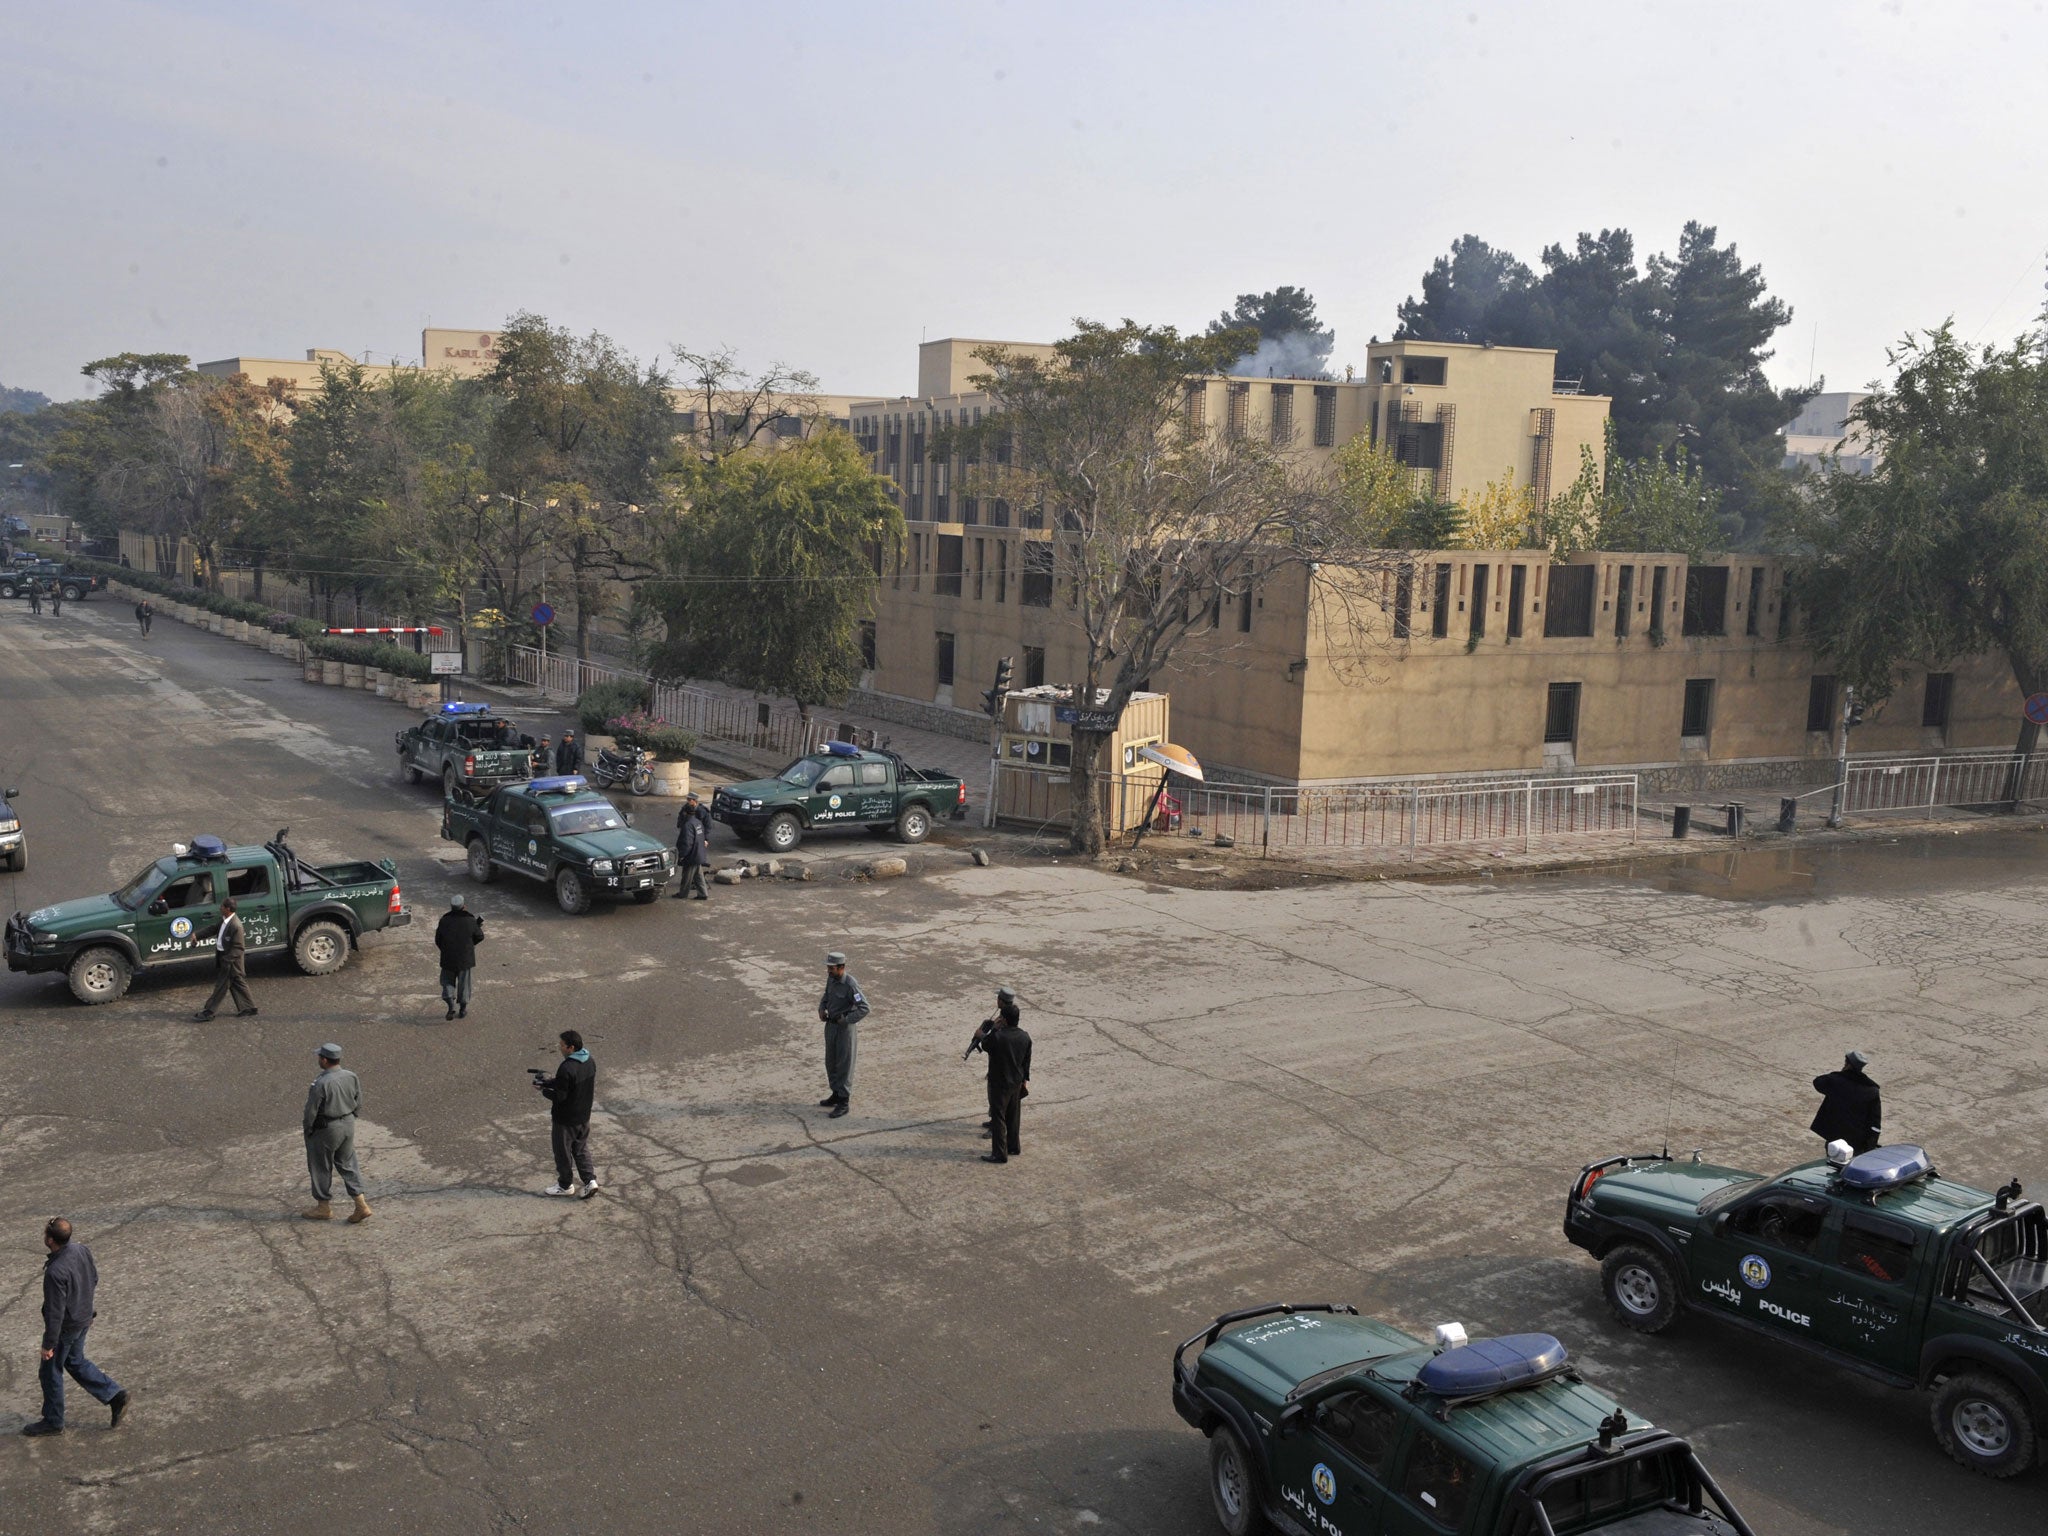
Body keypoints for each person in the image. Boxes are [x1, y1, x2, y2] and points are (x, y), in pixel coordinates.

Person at [22, 1219, 129, 1436]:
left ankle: (53, 1421)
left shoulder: (55, 1272)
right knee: (75, 1361)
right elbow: (94, 1278)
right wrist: (84, 1309)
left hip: (67, 1327)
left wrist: (48, 1345)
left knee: (50, 1372)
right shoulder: (82, 1250)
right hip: (84, 1319)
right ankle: (115, 1395)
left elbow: (55, 1312)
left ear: (50, 1239)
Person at [303, 1043, 371, 1223]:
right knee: (348, 1162)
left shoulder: (321, 1083)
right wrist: (350, 1116)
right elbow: (359, 1099)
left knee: (320, 1166)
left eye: (319, 1057)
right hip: (348, 1124)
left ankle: (323, 1207)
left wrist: (308, 1129)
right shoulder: (351, 1076)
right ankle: (360, 1204)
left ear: (324, 1060)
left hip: (327, 1128)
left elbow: (311, 1111)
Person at [538, 1029, 599, 1198]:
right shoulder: (589, 1061)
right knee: (580, 1149)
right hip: (583, 1117)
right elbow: (572, 1085)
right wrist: (551, 1082)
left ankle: (565, 1185)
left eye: (562, 1045)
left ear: (571, 1048)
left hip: (565, 1119)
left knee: (562, 1152)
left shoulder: (566, 1067)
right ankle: (590, 1181)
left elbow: (560, 1097)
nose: (560, 1048)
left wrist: (543, 1090)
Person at [977, 987, 1032, 1164]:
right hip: (1016, 1081)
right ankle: (1014, 1146)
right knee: (1013, 1116)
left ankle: (999, 1153)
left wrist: (984, 1033)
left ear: (1005, 1020)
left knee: (999, 1117)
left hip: (1000, 1082)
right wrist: (1024, 1081)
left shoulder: (998, 1037)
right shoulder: (1025, 1036)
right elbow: (1026, 1062)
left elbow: (985, 1045)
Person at [817, 952, 869, 1118]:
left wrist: (847, 1020)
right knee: (831, 1062)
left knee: (844, 1065)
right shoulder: (831, 979)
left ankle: (844, 1102)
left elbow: (864, 1008)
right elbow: (826, 995)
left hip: (844, 1030)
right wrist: (821, 1008)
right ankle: (836, 1094)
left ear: (841, 967)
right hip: (831, 1027)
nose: (828, 971)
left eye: (831, 968)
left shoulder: (850, 985)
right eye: (828, 968)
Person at [193, 897, 256, 1021]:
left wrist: (226, 961)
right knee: (237, 982)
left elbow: (238, 948)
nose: (219, 908)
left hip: (231, 961)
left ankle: (209, 1012)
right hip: (226, 958)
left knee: (221, 986)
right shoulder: (224, 920)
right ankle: (249, 1008)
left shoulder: (235, 925)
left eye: (222, 906)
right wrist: (197, 935)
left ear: (228, 909)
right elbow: (212, 929)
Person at [1811, 1051, 1882, 1155]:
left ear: (1847, 1064)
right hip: (1857, 1141)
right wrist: (1871, 1145)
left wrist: (1840, 1074)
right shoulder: (1872, 1090)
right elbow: (1875, 1122)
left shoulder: (1836, 1081)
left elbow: (1818, 1082)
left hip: (1835, 1136)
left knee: (1832, 1163)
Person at [433, 893, 485, 1019]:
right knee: (464, 985)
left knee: (447, 982)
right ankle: (462, 1010)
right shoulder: (470, 920)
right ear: (464, 907)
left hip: (448, 959)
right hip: (464, 959)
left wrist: (446, 950)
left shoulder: (444, 920)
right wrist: (470, 944)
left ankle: (450, 1005)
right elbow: (480, 936)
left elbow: (438, 940)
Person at [674, 793, 711, 900]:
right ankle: (703, 894)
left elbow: (687, 842)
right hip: (698, 852)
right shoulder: (697, 822)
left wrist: (681, 855)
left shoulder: (688, 825)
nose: (688, 801)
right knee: (698, 875)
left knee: (687, 876)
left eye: (689, 799)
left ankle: (683, 894)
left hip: (692, 855)